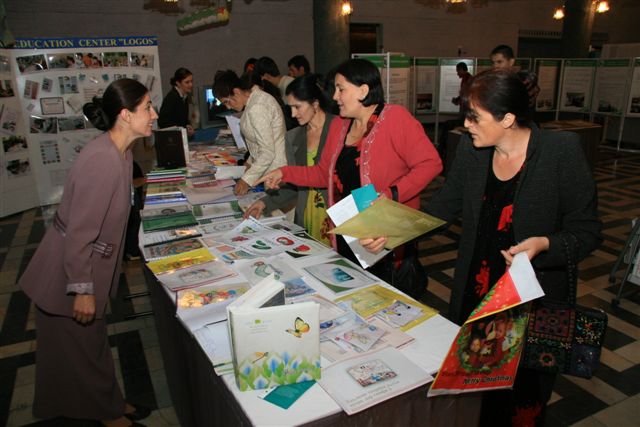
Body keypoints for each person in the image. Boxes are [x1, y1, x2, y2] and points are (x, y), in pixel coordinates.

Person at [362, 69, 602, 426]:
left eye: (474, 117)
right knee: (475, 401)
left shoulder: (559, 152)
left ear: (507, 118)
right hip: (477, 298)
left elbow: (588, 231)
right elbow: (443, 207)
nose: (467, 125)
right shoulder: (473, 152)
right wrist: (392, 230)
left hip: (529, 307)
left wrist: (545, 244)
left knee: (521, 402)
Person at [18, 78, 157, 427]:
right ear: (125, 115)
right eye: (147, 108)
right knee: (82, 353)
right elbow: (80, 235)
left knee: (85, 348)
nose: (154, 114)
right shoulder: (103, 160)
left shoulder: (119, 153)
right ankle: (105, 413)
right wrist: (81, 288)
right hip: (69, 274)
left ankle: (105, 402)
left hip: (84, 268)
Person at [258, 58, 442, 296]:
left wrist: (391, 194)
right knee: (356, 295)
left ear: (363, 90)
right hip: (349, 231)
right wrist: (284, 173)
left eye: (341, 89)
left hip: (385, 235)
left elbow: (430, 163)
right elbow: (323, 174)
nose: (335, 96)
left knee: (388, 297)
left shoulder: (395, 118)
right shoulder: (340, 126)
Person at [244, 74, 336, 246]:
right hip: (307, 217)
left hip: (336, 216)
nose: (293, 114)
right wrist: (264, 203)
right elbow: (295, 186)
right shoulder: (293, 137)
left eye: (297, 107)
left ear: (315, 103)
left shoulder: (339, 128)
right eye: (290, 108)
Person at [213, 69, 287, 196]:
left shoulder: (257, 108)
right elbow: (259, 144)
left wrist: (246, 180)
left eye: (227, 101)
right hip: (269, 169)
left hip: (275, 173)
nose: (228, 107)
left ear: (236, 92)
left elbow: (267, 152)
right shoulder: (254, 101)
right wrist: (248, 164)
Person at [491, 45, 540, 110]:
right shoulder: (504, 80)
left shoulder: (519, 81)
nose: (495, 66)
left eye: (499, 62)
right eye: (493, 62)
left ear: (511, 62)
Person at [158, 67, 195, 137]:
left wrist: (187, 126)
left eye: (191, 81)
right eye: (187, 82)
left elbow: (181, 118)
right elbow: (162, 122)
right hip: (171, 139)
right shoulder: (172, 98)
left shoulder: (184, 96)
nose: (191, 85)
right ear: (178, 83)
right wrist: (182, 129)